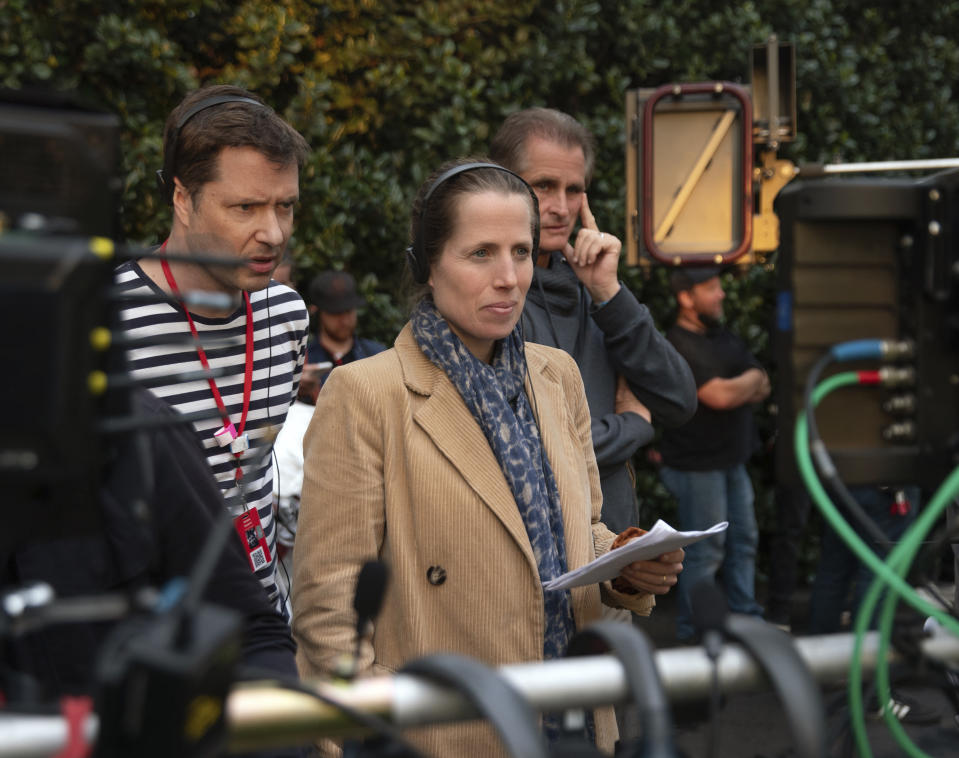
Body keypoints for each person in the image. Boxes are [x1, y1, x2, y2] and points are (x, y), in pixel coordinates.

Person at [292, 159, 684, 756]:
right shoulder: (366, 394)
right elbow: (329, 607)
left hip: (572, 718)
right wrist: (377, 736)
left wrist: (625, 562)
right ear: (427, 265)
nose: (509, 277)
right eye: (481, 254)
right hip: (444, 733)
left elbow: (583, 534)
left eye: (521, 252)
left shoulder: (558, 377)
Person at [115, 84, 311, 619]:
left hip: (267, 638)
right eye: (245, 207)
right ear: (183, 198)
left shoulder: (288, 316)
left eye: (285, 207)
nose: (272, 232)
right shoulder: (104, 325)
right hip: (158, 652)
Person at [489, 107, 697, 536]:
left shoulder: (592, 287)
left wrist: (609, 293)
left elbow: (679, 400)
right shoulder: (489, 298)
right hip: (530, 559)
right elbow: (525, 442)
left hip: (617, 559)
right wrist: (633, 427)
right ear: (500, 184)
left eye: (574, 190)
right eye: (544, 186)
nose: (561, 207)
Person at [658, 267, 769, 643]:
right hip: (696, 466)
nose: (721, 295)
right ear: (686, 298)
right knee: (706, 554)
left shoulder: (723, 337)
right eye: (711, 288)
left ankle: (745, 621)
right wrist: (744, 385)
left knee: (745, 542)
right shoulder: (676, 344)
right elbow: (717, 396)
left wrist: (741, 384)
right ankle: (697, 632)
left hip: (732, 462)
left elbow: (762, 380)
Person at [305, 270, 386, 387]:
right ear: (318, 312)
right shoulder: (305, 361)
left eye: (349, 311)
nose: (345, 320)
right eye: (336, 313)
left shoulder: (377, 356)